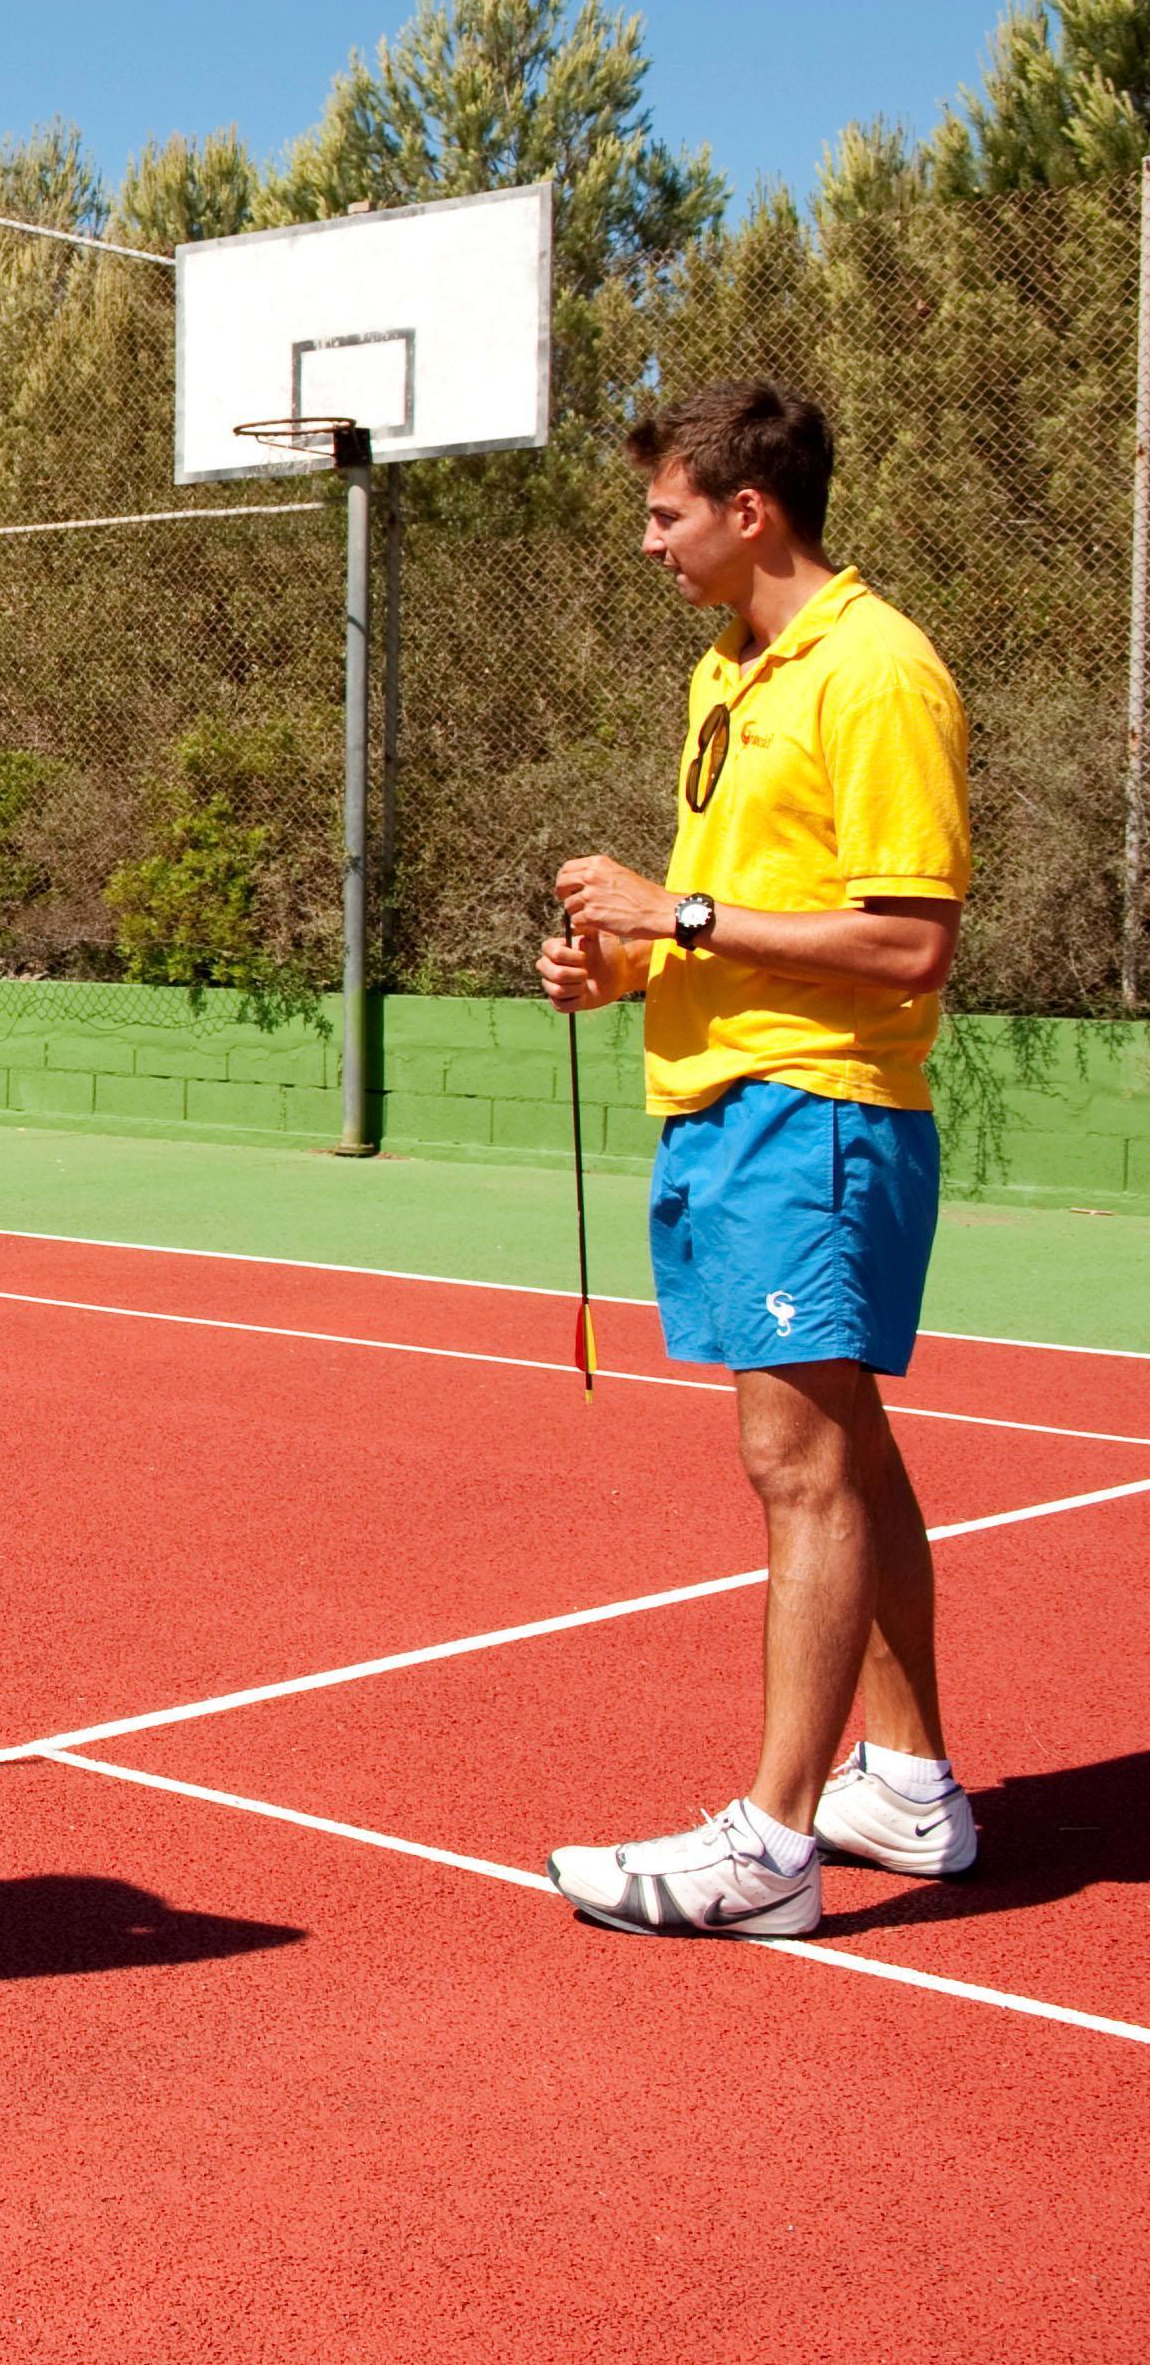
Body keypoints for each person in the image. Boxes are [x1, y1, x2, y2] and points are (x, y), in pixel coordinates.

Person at [538, 379, 976, 1939]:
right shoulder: (730, 672)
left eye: (665, 513)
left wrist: (686, 918)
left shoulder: (875, 673)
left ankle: (773, 1844)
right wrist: (638, 966)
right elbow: (732, 902)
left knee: (799, 1470)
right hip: (732, 1098)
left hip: (821, 1109)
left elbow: (910, 941)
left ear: (749, 509)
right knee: (845, 1455)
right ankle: (908, 1785)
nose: (648, 543)